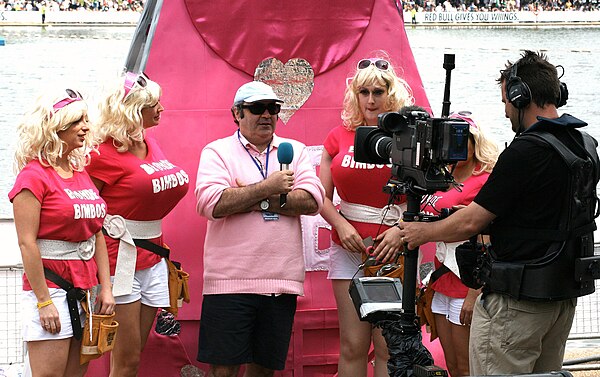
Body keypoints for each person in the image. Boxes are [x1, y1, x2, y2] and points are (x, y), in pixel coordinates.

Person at [394, 50, 600, 375]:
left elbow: (474, 219)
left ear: (521, 96)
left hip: (517, 305)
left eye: (506, 100)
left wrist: (424, 232)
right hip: (561, 299)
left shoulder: (526, 150)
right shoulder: (585, 144)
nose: (505, 111)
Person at [195, 80, 325, 377]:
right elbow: (210, 204)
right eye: (257, 108)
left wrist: (252, 198)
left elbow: (311, 201)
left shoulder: (296, 150)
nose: (266, 115)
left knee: (264, 372)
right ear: (237, 114)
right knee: (223, 372)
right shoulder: (217, 151)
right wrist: (270, 188)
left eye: (273, 108)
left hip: (280, 282)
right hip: (229, 281)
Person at [86, 72, 189, 377]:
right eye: (153, 104)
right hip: (121, 261)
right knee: (126, 361)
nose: (161, 108)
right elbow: (87, 212)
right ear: (132, 111)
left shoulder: (150, 142)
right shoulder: (101, 154)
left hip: (154, 256)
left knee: (135, 357)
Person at [319, 55, 414, 377]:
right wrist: (341, 225)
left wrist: (400, 232)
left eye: (378, 91)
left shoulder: (409, 136)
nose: (371, 100)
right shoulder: (338, 136)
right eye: (364, 92)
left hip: (396, 251)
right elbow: (321, 195)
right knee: (352, 344)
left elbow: (427, 198)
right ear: (354, 95)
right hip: (348, 250)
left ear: (391, 93)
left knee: (389, 346)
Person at [9, 88, 115, 376]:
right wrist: (43, 302)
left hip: (86, 289)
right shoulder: (33, 176)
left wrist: (105, 288)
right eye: (77, 121)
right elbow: (27, 244)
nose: (86, 127)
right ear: (56, 127)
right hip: (51, 290)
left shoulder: (79, 171)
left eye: (85, 119)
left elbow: (96, 234)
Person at [414, 112, 498, 377]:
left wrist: (475, 294)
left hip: (467, 285)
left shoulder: (485, 180)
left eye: (461, 141)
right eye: (448, 142)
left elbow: (488, 238)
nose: (454, 149)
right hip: (441, 282)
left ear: (475, 142)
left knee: (468, 368)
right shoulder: (440, 176)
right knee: (452, 367)